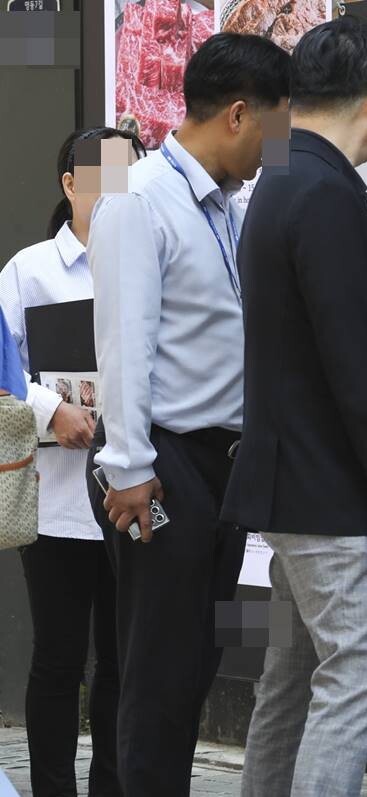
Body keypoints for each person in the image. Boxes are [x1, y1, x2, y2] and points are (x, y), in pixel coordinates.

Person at [224, 16, 367, 796]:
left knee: (291, 679)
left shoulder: (285, 176)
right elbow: (351, 360)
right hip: (326, 493)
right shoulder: (318, 190)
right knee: (362, 672)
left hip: (293, 483)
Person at [85, 33, 289, 796]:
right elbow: (125, 346)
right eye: (278, 126)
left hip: (220, 468)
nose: (280, 147)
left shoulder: (229, 205)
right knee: (159, 671)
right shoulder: (138, 198)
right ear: (239, 115)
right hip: (161, 465)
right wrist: (131, 469)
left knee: (196, 661)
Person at [0, 126, 145, 797]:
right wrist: (50, 409)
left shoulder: (149, 261)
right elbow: (2, 372)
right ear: (70, 185)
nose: (123, 192)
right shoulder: (29, 270)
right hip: (57, 499)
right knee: (60, 661)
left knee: (123, 661)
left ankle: (111, 787)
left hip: (134, 492)